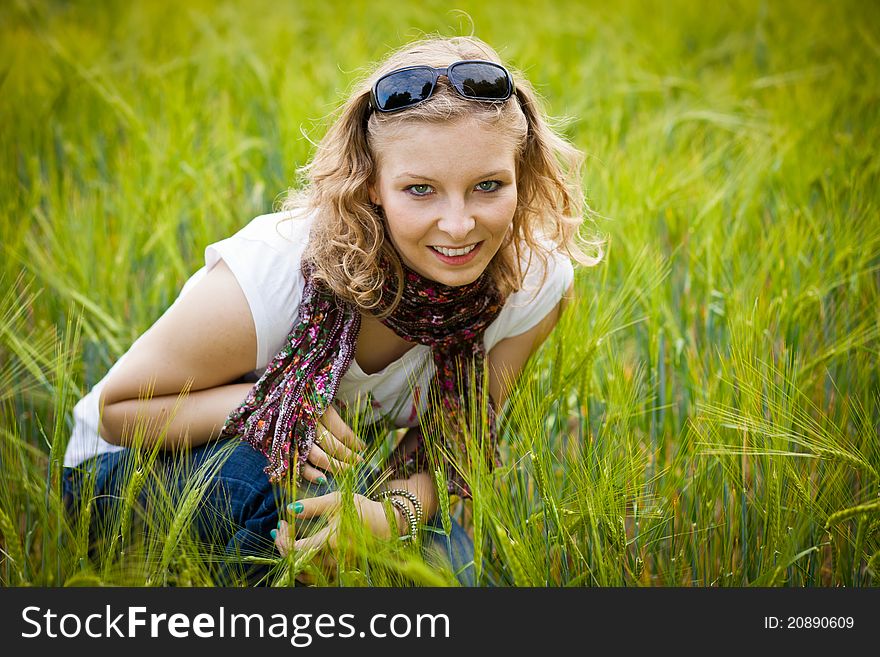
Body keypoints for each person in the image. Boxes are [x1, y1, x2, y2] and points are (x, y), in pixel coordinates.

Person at [61, 35, 602, 586]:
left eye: (488, 186)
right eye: (420, 190)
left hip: (318, 472)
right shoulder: (279, 270)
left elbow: (449, 446)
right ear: (372, 185)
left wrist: (389, 518)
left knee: (453, 572)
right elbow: (119, 411)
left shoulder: (535, 283)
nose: (459, 225)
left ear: (522, 173)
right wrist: (276, 404)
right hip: (124, 473)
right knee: (287, 497)